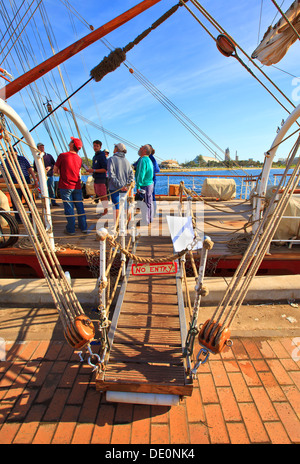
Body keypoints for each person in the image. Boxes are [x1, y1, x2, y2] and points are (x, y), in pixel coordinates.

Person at [53, 137, 87, 235]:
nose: (69, 142)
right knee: (80, 207)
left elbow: (55, 170)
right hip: (77, 186)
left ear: (72, 144)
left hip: (66, 185)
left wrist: (61, 171)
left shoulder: (62, 156)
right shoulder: (79, 159)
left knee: (69, 207)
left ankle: (71, 229)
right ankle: (83, 227)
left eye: (71, 141)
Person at [3, 149, 38, 224]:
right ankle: (18, 218)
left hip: (25, 180)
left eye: (13, 154)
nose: (12, 156)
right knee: (16, 201)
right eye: (10, 154)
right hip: (13, 181)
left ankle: (33, 216)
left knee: (30, 200)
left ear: (16, 153)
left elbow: (30, 169)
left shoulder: (22, 159)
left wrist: (35, 180)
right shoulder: (6, 161)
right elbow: (2, 171)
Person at [107, 143, 134, 220]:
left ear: (116, 149)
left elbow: (111, 175)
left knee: (116, 206)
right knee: (125, 205)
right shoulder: (127, 161)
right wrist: (126, 185)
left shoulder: (111, 159)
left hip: (114, 188)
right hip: (124, 188)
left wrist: (119, 185)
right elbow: (131, 175)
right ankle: (127, 223)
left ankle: (117, 224)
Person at [86, 140, 108, 217]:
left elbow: (105, 169)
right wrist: (91, 171)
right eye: (94, 146)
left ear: (100, 147)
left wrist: (94, 170)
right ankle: (104, 211)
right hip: (96, 178)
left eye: (97, 146)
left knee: (103, 196)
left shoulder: (102, 156)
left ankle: (106, 212)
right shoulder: (95, 156)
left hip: (101, 179)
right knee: (100, 195)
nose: (95, 147)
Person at [33, 143, 58, 207]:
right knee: (44, 189)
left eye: (43, 147)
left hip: (50, 175)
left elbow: (54, 164)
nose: (42, 148)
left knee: (51, 188)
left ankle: (53, 201)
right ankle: (46, 202)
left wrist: (50, 167)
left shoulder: (49, 156)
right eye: (40, 147)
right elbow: (35, 168)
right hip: (42, 176)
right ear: (37, 148)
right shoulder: (37, 158)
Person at [135, 144, 154, 225]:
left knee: (144, 203)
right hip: (150, 184)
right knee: (149, 202)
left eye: (141, 147)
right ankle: (150, 219)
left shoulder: (143, 160)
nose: (140, 148)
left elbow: (140, 174)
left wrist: (138, 186)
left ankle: (145, 221)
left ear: (144, 150)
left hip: (144, 184)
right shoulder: (149, 160)